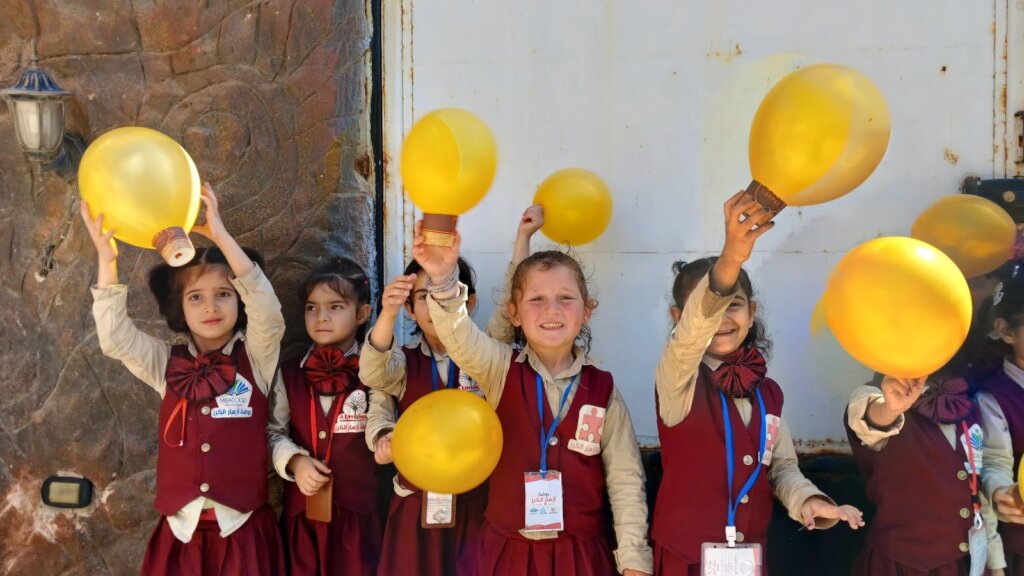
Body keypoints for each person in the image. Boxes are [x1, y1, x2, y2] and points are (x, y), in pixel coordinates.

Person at [651, 191, 863, 575]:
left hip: (747, 558)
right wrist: (732, 256)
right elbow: (691, 335)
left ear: (751, 312)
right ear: (677, 316)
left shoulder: (768, 391)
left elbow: (780, 467)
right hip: (685, 559)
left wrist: (809, 501)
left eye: (734, 304)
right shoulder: (676, 376)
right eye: (712, 309)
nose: (722, 318)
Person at [83, 184, 287, 575]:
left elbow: (268, 311)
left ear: (239, 299)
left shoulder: (257, 355)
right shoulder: (166, 362)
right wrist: (107, 262)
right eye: (195, 297)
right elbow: (116, 340)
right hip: (180, 534)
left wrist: (221, 236)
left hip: (243, 532)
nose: (210, 306)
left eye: (223, 294)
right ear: (179, 306)